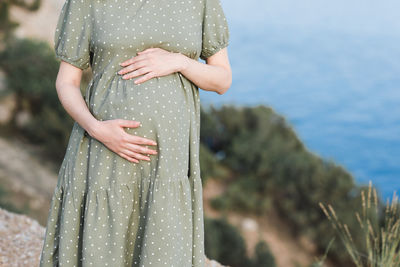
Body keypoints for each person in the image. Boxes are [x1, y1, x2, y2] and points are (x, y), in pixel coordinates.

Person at [39, 0, 231, 266]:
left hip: (167, 165)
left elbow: (222, 80)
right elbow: (66, 82)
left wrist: (180, 62)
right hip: (105, 152)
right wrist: (97, 129)